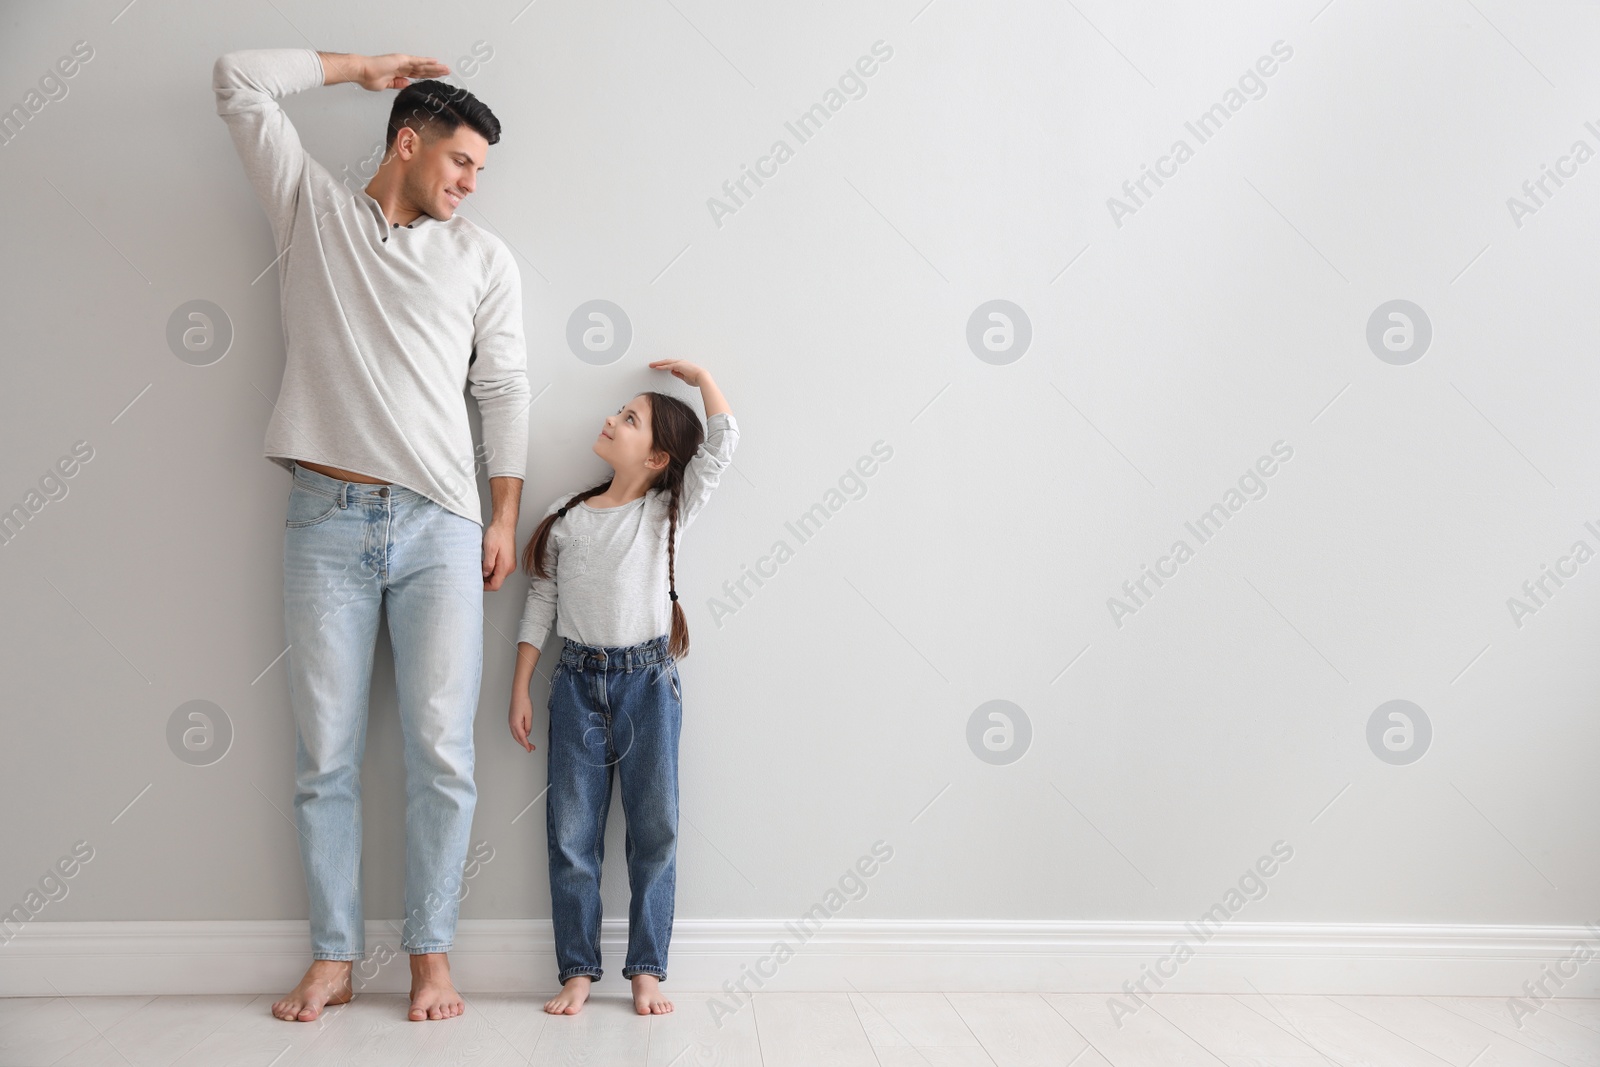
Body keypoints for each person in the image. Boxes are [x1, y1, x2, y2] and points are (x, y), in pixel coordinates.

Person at [213, 47, 531, 1022]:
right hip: (323, 518)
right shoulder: (310, 210)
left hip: (441, 524)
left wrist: (505, 513)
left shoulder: (483, 257)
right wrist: (357, 67)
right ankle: (335, 958)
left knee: (442, 750)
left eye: (481, 170)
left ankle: (431, 956)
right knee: (326, 757)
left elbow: (503, 386)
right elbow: (236, 78)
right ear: (408, 141)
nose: (472, 184)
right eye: (462, 161)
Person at [508, 360, 737, 1015]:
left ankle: (646, 970)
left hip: (647, 684)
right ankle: (578, 968)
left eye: (629, 418)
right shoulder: (567, 516)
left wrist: (701, 376)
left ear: (659, 455)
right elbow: (541, 603)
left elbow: (721, 446)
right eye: (618, 412)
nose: (610, 420)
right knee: (571, 833)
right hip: (576, 684)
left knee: (654, 828)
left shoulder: (666, 511)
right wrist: (521, 687)